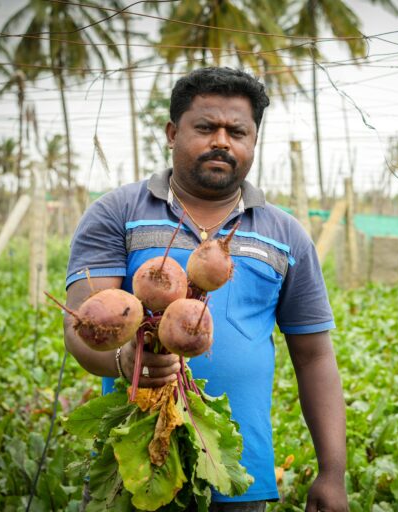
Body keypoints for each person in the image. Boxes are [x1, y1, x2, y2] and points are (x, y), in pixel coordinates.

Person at [64, 67, 348, 512]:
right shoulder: (116, 212)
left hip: (234, 470)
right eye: (206, 127)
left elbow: (314, 356)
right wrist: (128, 359)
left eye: (237, 131)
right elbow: (82, 324)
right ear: (172, 132)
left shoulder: (286, 234)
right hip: (132, 465)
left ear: (253, 142)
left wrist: (334, 472)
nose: (222, 141)